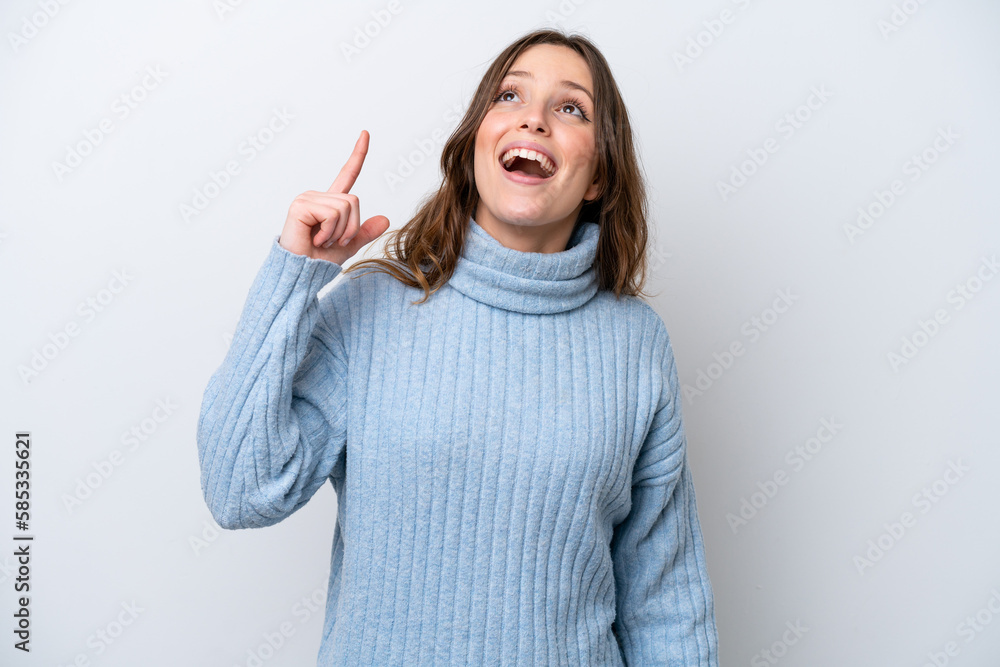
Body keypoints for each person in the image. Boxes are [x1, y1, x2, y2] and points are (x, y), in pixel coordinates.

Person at [197, 27, 719, 666]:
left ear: (599, 178)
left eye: (571, 108)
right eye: (509, 97)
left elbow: (663, 598)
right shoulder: (370, 308)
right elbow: (239, 490)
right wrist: (294, 274)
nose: (533, 119)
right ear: (476, 144)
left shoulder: (635, 343)